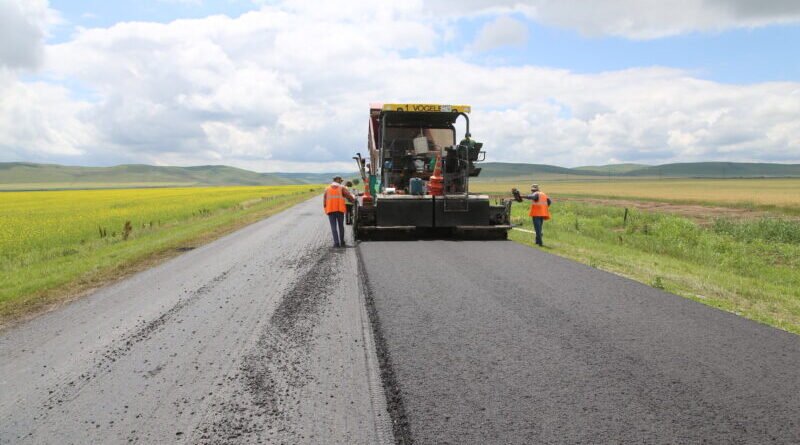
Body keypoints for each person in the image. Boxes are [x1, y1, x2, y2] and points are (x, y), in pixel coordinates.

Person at [323, 176, 355, 248]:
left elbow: (324, 201)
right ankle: (342, 242)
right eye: (340, 180)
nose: (341, 182)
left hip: (330, 210)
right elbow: (348, 196)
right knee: (341, 226)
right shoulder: (342, 188)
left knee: (333, 227)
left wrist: (326, 210)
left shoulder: (327, 189)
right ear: (337, 180)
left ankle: (336, 244)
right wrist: (353, 201)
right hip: (340, 210)